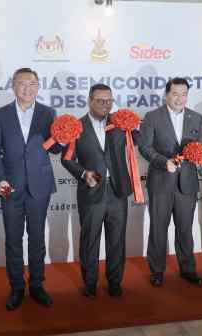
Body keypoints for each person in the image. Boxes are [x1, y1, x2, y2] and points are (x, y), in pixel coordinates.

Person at [0, 68, 63, 310]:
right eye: (22, 84)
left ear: (38, 86)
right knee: (12, 239)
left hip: (39, 186)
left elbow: (54, 150)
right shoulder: (1, 114)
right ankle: (17, 287)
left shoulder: (48, 113)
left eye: (32, 84)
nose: (27, 88)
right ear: (13, 86)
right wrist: (0, 178)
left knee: (38, 238)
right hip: (10, 187)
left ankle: (38, 284)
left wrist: (61, 139)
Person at [61, 84, 138, 298]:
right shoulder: (76, 126)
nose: (105, 105)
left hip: (117, 191)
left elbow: (139, 142)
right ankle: (90, 284)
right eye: (100, 101)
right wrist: (83, 173)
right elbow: (66, 159)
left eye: (109, 101)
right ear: (89, 100)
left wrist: (136, 126)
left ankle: (115, 282)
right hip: (90, 192)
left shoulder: (120, 123)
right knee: (90, 240)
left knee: (117, 240)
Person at [138, 77, 202, 287]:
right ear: (167, 94)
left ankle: (188, 269)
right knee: (159, 228)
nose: (180, 98)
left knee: (185, 229)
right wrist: (163, 162)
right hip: (161, 182)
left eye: (184, 94)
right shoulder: (152, 117)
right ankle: (157, 270)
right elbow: (145, 147)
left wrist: (199, 156)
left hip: (187, 183)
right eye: (175, 93)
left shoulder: (196, 117)